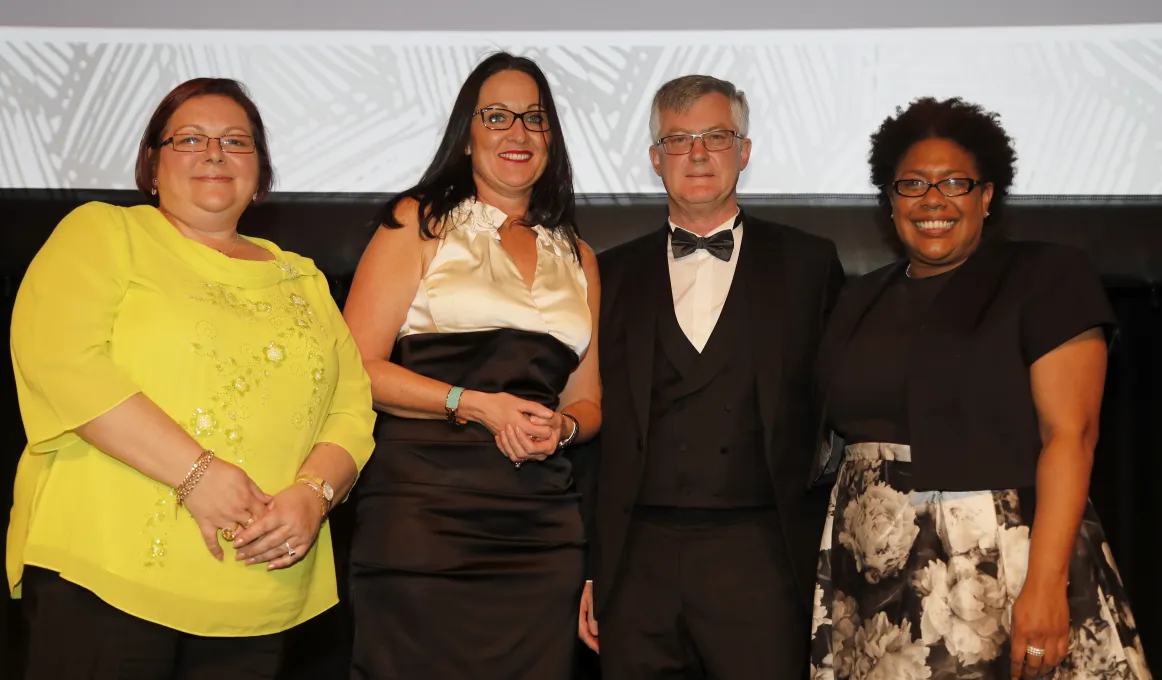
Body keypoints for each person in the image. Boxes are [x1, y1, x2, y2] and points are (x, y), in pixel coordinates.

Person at [6, 77, 376, 679]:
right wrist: (196, 474)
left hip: (259, 590)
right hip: (108, 574)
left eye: (237, 141)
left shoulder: (302, 278)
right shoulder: (103, 233)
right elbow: (62, 360)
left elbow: (353, 408)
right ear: (152, 164)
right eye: (190, 140)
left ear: (262, 172)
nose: (215, 153)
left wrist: (315, 495)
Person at [808, 96, 1150, 679]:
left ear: (986, 198)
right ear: (889, 201)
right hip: (867, 574)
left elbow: (1073, 435)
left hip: (1003, 568)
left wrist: (1044, 588)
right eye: (911, 184)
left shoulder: (1045, 276)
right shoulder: (858, 298)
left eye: (954, 183)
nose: (932, 200)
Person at [342, 51, 601, 679]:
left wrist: (560, 430)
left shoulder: (579, 254)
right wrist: (473, 403)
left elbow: (589, 402)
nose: (518, 132)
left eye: (534, 119)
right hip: (424, 515)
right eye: (497, 116)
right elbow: (354, 368)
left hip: (541, 529)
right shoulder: (418, 222)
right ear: (467, 135)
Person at [581, 74, 844, 679]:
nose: (697, 153)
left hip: (763, 556)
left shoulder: (809, 265)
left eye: (716, 136)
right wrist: (593, 566)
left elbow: (838, 408)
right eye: (678, 141)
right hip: (637, 558)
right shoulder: (606, 273)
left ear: (744, 151)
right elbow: (591, 423)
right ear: (655, 159)